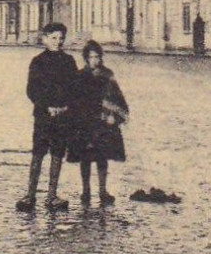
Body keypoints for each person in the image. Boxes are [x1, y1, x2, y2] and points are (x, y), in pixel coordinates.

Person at [17, 21, 79, 212]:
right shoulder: (38, 62)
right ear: (44, 39)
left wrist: (66, 106)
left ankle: (52, 196)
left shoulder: (69, 61)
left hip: (63, 117)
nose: (58, 42)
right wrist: (47, 106)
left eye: (61, 38)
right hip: (43, 116)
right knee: (38, 152)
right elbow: (32, 89)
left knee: (58, 153)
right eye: (53, 38)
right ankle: (30, 195)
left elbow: (75, 88)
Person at [69, 40, 128, 206]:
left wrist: (114, 116)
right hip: (86, 123)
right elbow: (76, 100)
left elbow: (117, 97)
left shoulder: (107, 75)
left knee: (102, 156)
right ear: (86, 58)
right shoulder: (80, 76)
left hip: (103, 122)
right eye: (91, 57)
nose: (94, 60)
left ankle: (103, 190)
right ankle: (85, 191)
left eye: (97, 57)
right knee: (85, 158)